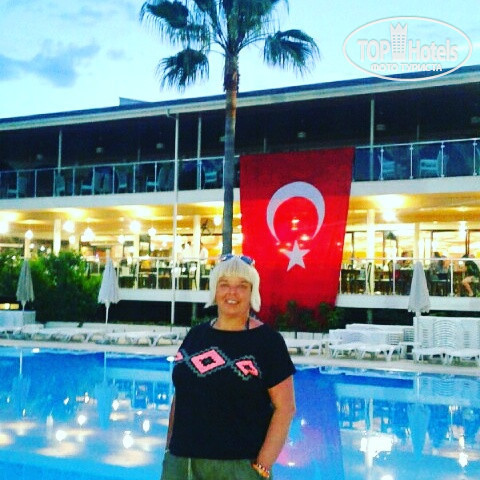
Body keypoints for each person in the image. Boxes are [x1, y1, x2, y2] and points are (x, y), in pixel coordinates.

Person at [161, 254, 296, 480]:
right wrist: (169, 448)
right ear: (215, 290)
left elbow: (286, 408)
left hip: (237, 468)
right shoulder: (196, 335)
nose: (232, 293)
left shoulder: (267, 342)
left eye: (242, 286)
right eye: (224, 284)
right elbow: (181, 394)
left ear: (252, 292)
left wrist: (263, 465)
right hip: (181, 464)